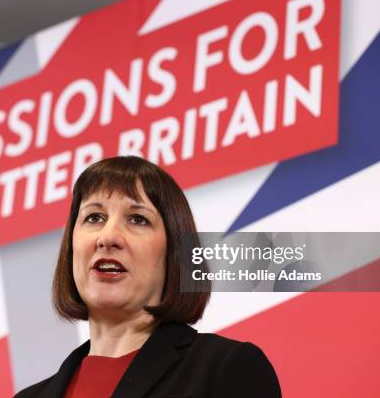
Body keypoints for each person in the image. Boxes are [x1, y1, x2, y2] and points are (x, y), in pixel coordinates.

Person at [14, 156, 281, 397]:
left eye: (138, 219)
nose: (108, 237)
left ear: (174, 253)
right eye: (94, 217)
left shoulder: (226, 369)